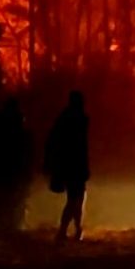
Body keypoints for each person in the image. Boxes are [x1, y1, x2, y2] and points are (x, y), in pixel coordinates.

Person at [0, 98, 33, 232]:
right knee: (14, 197)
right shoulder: (18, 124)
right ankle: (12, 224)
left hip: (1, 167)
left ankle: (1, 224)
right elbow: (25, 147)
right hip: (12, 167)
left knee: (2, 198)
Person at [45, 91, 90, 242]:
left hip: (70, 165)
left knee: (76, 198)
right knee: (76, 198)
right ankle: (67, 230)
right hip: (74, 165)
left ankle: (75, 230)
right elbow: (79, 147)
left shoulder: (65, 119)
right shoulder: (76, 120)